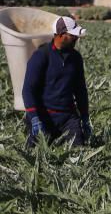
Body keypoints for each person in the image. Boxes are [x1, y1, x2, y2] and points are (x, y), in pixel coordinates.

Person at [22, 16, 92, 148]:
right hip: (44, 116)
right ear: (60, 35)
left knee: (79, 153)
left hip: (68, 117)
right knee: (37, 153)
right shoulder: (41, 56)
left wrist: (84, 116)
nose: (76, 38)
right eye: (73, 36)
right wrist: (34, 117)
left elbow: (80, 90)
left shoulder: (76, 58)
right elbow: (28, 89)